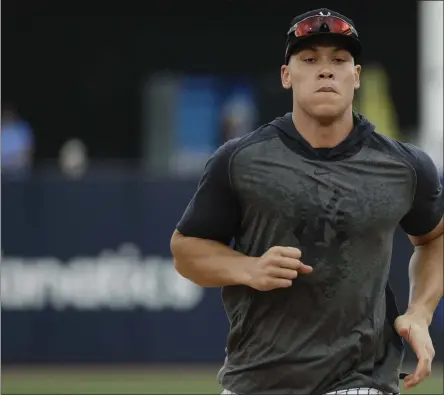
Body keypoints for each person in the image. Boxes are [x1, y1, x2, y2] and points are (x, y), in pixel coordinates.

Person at [170, 8, 443, 395]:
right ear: (287, 75)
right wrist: (248, 268)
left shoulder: (404, 165)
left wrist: (420, 312)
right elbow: (185, 251)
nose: (326, 70)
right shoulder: (240, 160)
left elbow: (434, 237)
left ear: (356, 76)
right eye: (310, 59)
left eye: (339, 60)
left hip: (361, 378)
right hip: (256, 377)